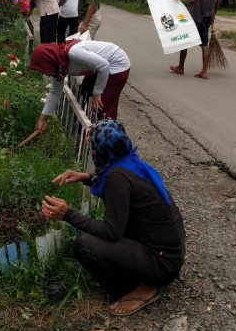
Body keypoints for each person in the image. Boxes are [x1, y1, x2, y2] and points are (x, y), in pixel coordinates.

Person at [41, 119, 185, 316]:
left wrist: (68, 214)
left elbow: (111, 232)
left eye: (91, 144)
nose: (89, 148)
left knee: (84, 245)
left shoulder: (117, 178)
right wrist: (86, 177)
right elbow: (119, 193)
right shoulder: (129, 162)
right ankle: (142, 278)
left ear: (100, 150)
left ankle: (135, 289)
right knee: (97, 240)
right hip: (168, 253)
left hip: (161, 265)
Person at [29, 39, 130, 133]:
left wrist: (97, 92)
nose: (45, 74)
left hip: (117, 64)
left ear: (49, 63)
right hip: (98, 68)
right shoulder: (59, 66)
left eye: (44, 70)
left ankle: (106, 137)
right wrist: (42, 119)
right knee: (86, 97)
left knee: (101, 107)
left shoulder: (74, 53)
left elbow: (104, 66)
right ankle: (90, 132)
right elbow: (55, 92)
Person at [170, 0, 221, 79]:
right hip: (207, 18)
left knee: (185, 43)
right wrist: (214, 13)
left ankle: (181, 67)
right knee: (204, 44)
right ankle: (204, 71)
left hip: (194, 17)